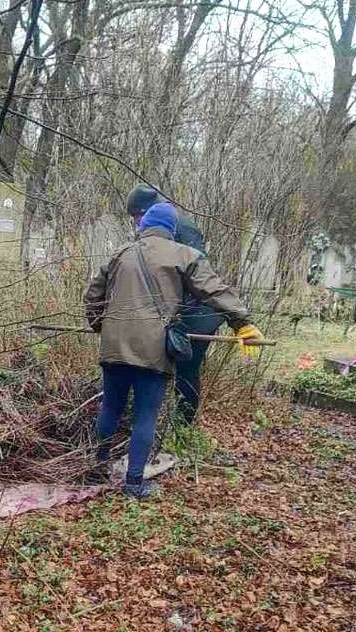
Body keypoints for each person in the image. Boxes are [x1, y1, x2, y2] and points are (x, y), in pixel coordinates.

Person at [84, 202, 264, 498]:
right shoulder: (184, 254)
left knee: (111, 408)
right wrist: (241, 323)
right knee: (145, 415)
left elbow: (93, 293)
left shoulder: (121, 254)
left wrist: (99, 326)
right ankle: (133, 484)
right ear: (171, 229)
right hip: (153, 351)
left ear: (143, 226)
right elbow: (214, 290)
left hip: (114, 346)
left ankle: (94, 469)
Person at [124, 184, 223, 427]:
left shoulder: (183, 228)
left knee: (187, 372)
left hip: (197, 315)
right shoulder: (161, 227)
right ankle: (160, 420)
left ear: (148, 211)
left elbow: (196, 277)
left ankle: (183, 426)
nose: (137, 223)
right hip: (176, 314)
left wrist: (172, 315)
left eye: (138, 216)